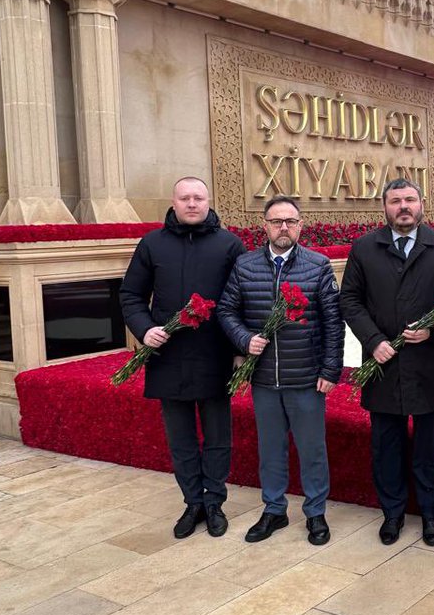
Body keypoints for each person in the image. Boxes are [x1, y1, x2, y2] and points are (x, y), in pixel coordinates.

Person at [340, 178, 434, 546]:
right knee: (386, 446)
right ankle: (393, 513)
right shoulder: (364, 248)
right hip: (383, 365)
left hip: (430, 364)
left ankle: (431, 514)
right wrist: (373, 340)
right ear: (384, 207)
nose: (403, 206)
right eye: (395, 200)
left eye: (410, 200)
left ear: (421, 204)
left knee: (431, 446)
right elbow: (349, 299)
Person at [120, 177, 245, 540]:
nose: (192, 203)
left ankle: (214, 502)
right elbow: (131, 295)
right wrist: (145, 330)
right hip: (169, 355)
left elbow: (243, 299)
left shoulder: (229, 244)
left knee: (218, 436)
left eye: (198, 198)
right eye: (185, 198)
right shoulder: (152, 244)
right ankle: (193, 503)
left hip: (215, 354)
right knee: (181, 439)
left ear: (209, 201)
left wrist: (239, 350)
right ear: (173, 202)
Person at [217, 195, 344, 544]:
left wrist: (330, 370)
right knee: (271, 451)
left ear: (300, 226)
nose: (283, 227)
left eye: (290, 221)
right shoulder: (245, 265)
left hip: (306, 379)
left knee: (312, 451)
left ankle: (315, 513)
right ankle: (274, 510)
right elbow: (226, 311)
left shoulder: (318, 266)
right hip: (264, 380)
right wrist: (245, 339)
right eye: (276, 221)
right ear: (265, 226)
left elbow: (333, 323)